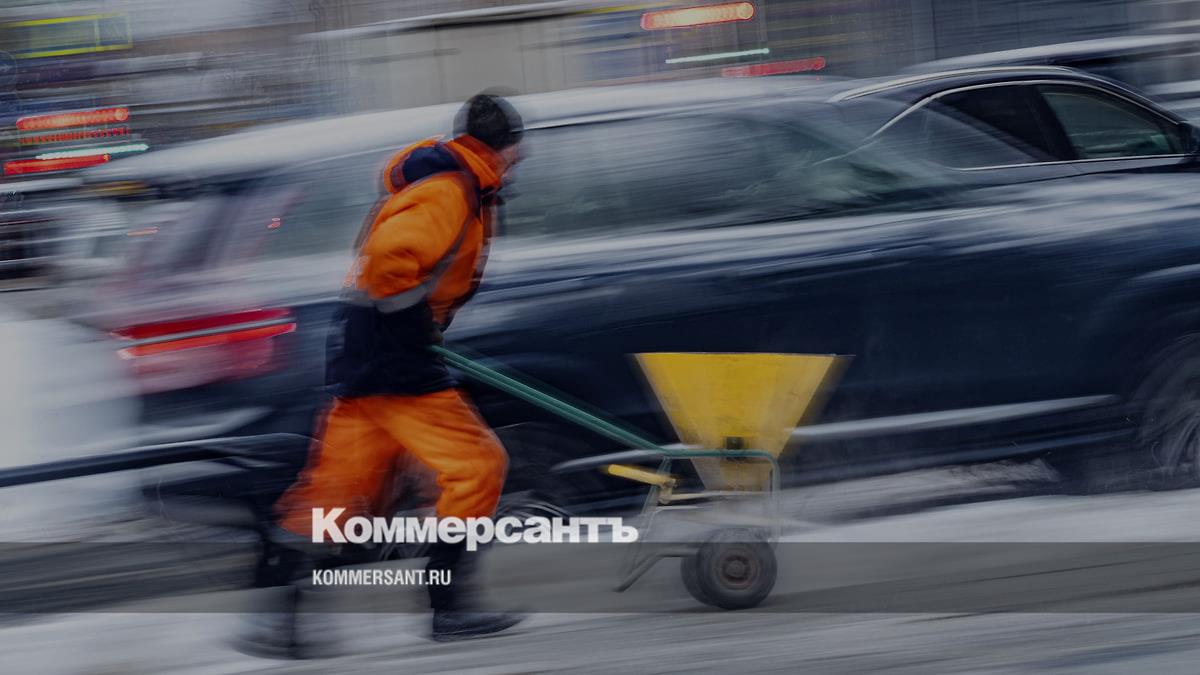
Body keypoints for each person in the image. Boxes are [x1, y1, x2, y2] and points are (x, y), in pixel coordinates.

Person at [239, 92, 525, 657]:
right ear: (502, 148)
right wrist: (413, 329)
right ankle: (452, 608)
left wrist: (415, 326)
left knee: (337, 492)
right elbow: (393, 259)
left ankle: (277, 619)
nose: (519, 162)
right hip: (395, 360)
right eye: (517, 151)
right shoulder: (450, 189)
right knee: (475, 468)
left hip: (362, 352)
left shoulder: (450, 181)